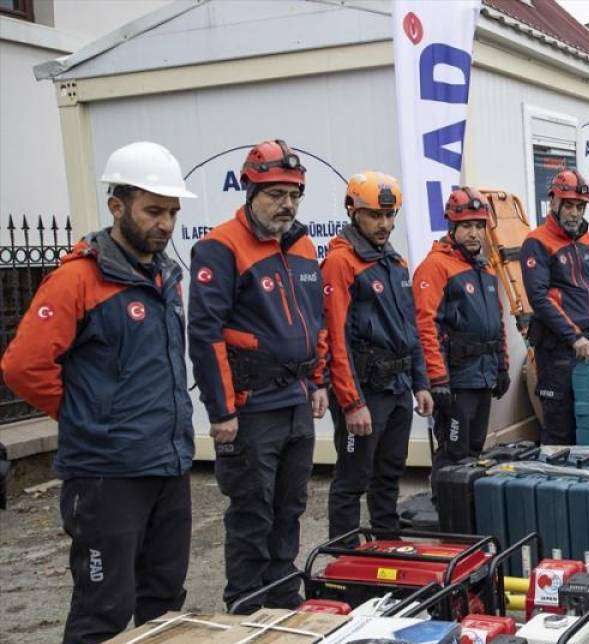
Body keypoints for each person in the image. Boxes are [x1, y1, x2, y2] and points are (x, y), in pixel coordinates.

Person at [2, 142, 195, 644]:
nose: (165, 224)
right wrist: (85, 415)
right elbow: (22, 367)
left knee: (165, 601)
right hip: (108, 473)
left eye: (172, 213)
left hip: (167, 462)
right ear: (117, 206)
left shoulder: (164, 277)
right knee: (103, 607)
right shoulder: (77, 281)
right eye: (153, 211)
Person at [188, 139, 328, 611]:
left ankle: (283, 594)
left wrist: (316, 382)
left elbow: (316, 320)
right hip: (251, 409)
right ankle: (247, 603)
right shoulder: (219, 247)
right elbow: (205, 335)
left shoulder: (305, 245)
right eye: (274, 194)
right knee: (252, 509)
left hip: (294, 400)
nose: (286, 204)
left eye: (294, 194)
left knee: (290, 506)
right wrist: (221, 410)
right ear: (249, 188)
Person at [322, 171, 434, 539]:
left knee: (389, 474)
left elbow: (410, 327)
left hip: (398, 389)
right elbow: (334, 337)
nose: (384, 223)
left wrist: (420, 382)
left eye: (390, 215)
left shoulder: (395, 263)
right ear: (354, 211)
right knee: (353, 479)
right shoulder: (341, 263)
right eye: (374, 215)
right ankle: (344, 554)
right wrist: (352, 402)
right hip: (365, 391)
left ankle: (386, 545)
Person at [521, 169, 589, 444]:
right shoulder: (537, 242)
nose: (574, 213)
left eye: (580, 206)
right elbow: (539, 299)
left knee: (587, 421)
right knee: (560, 429)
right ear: (553, 202)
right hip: (556, 351)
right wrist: (574, 337)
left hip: (586, 344)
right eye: (568, 205)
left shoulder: (585, 239)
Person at [414, 187, 506, 474]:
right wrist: (438, 380)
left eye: (479, 226)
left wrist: (502, 367)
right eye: (467, 226)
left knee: (475, 450)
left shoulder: (486, 269)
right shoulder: (435, 267)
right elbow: (425, 326)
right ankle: (446, 509)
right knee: (454, 453)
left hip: (483, 377)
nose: (474, 233)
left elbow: (498, 322)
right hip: (456, 381)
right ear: (452, 226)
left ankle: (467, 512)